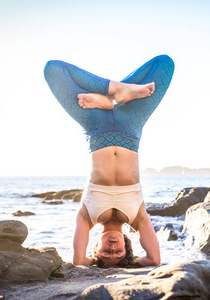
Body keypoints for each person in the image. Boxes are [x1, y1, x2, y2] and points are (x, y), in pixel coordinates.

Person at [43, 55, 175, 267]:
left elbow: (78, 261)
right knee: (165, 64)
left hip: (95, 125)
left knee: (53, 70)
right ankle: (118, 94)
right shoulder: (137, 217)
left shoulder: (87, 217)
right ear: (127, 246)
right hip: (131, 126)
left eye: (106, 253)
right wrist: (131, 266)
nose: (112, 249)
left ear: (95, 248)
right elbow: (154, 259)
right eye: (118, 253)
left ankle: (112, 95)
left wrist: (88, 262)